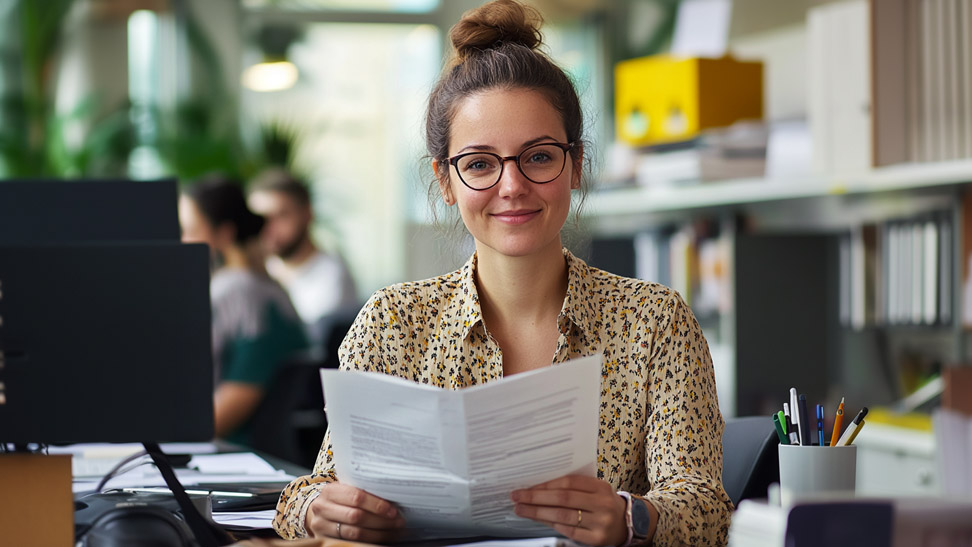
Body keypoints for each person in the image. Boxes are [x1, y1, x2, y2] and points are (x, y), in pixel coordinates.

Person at [273, 1, 732, 545]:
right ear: (446, 180)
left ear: (576, 164)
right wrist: (318, 511)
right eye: (481, 163)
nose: (511, 186)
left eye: (538, 157)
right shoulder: (394, 322)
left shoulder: (654, 321)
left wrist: (632, 518)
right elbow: (313, 489)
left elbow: (707, 510)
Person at [179, 176, 308, 447]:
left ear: (223, 234)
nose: (182, 241)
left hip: (238, 453)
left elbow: (219, 415)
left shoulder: (237, 292)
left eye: (190, 230)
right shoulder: (267, 286)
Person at [247, 168, 359, 337]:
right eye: (260, 218)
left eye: (282, 215)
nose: (268, 227)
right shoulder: (260, 272)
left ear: (307, 213)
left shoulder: (332, 276)